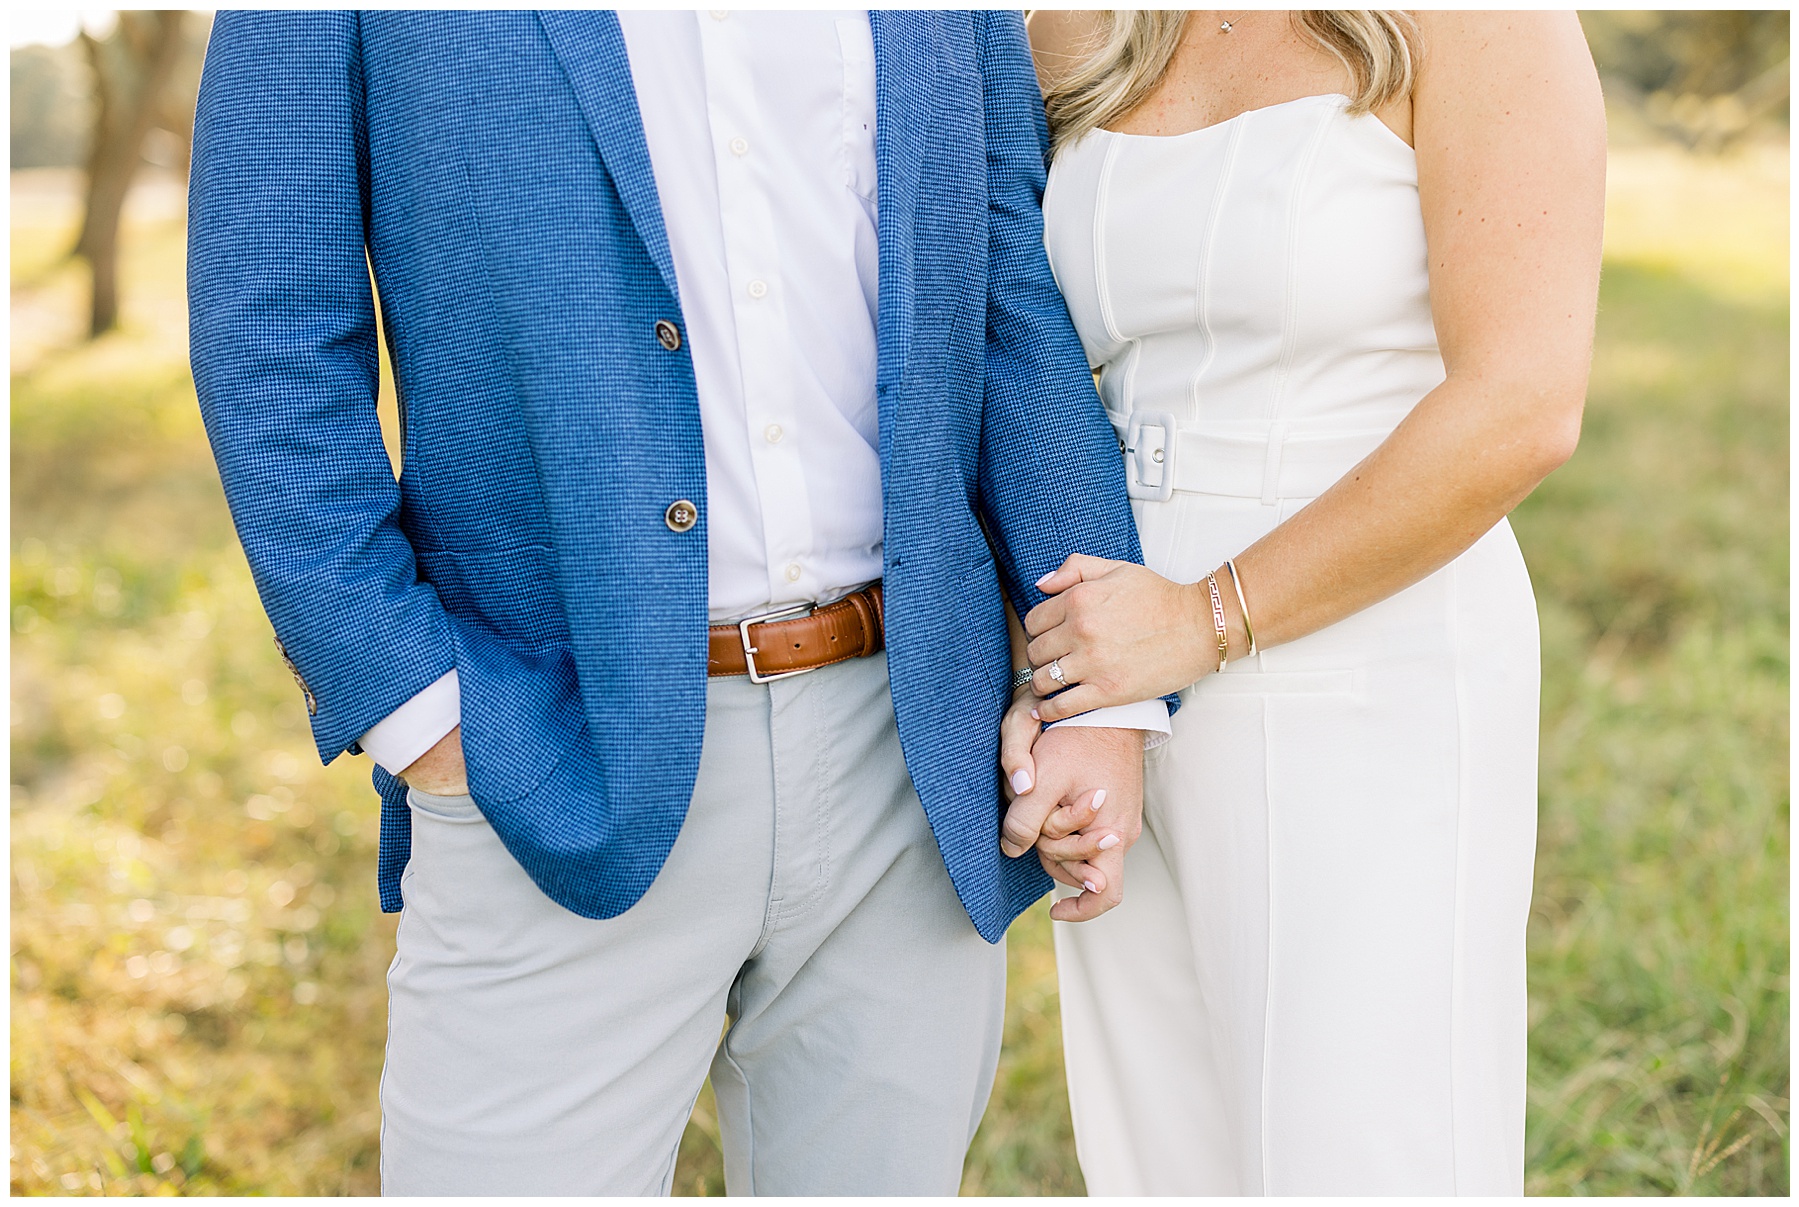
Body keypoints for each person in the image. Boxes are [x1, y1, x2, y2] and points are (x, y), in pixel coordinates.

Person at [187, 10, 1168, 1196]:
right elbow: (270, 326)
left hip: (906, 752)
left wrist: (1100, 693)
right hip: (549, 743)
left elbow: (1005, 283)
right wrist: (420, 711)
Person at [998, 9, 1605, 1195]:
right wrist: (1063, 677)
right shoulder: (1075, 25)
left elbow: (1524, 403)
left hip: (1372, 659)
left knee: (1363, 1149)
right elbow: (1019, 360)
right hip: (1122, 668)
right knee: (1160, 1150)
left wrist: (1202, 618)